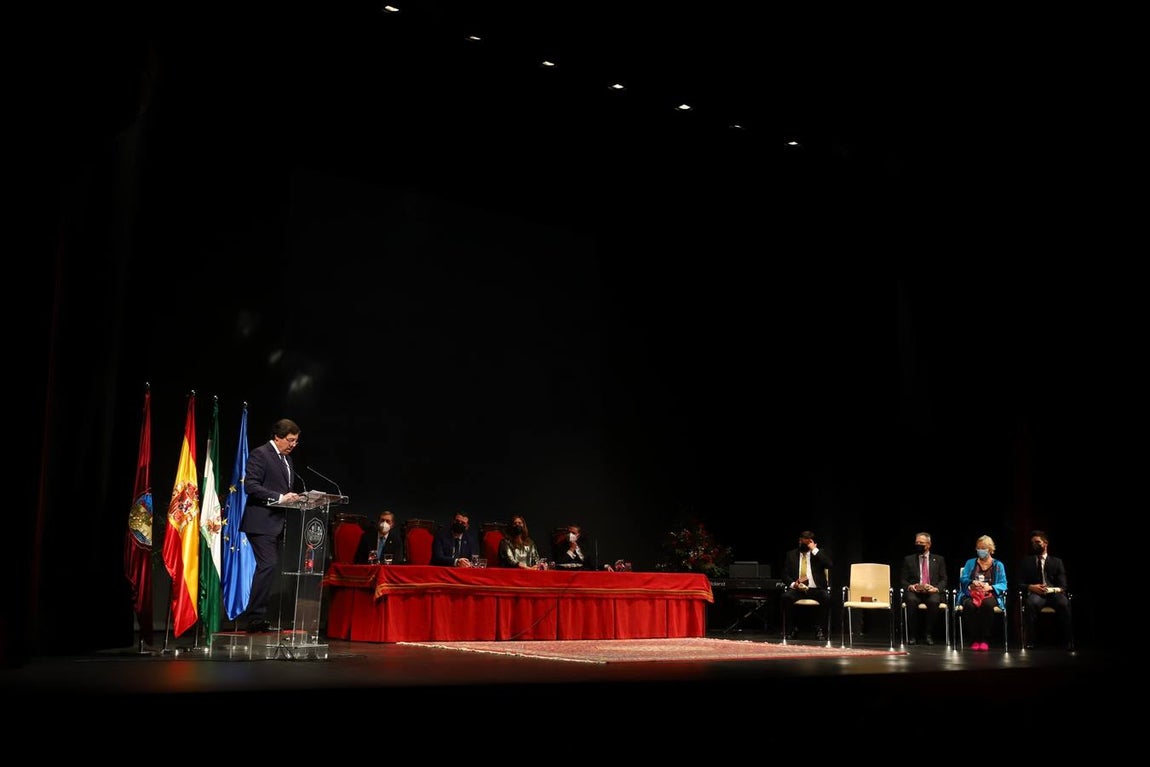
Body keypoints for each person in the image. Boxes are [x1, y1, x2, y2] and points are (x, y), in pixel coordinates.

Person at [238, 418, 303, 633]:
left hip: (277, 524)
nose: (294, 444)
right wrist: (280, 497)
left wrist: (296, 499)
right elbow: (251, 486)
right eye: (290, 440)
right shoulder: (261, 454)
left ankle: (258, 617)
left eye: (296, 441)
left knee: (268, 567)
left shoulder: (287, 460)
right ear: (278, 437)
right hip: (260, 522)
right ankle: (255, 617)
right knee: (267, 565)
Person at [1016, 530, 1073, 651]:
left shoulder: (1057, 562)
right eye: (1032, 543)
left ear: (1045, 543)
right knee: (1030, 604)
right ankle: (1030, 641)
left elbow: (1063, 585)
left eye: (1038, 542)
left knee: (1064, 604)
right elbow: (1019, 583)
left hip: (1053, 593)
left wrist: (1050, 589)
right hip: (1036, 593)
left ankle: (1068, 641)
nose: (1034, 545)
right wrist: (1031, 587)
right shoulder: (1026, 561)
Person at [957, 534, 1007, 651]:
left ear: (990, 549)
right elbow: (963, 578)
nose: (980, 550)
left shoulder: (998, 565)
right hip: (972, 593)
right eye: (978, 548)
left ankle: (984, 638)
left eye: (983, 548)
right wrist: (971, 582)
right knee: (969, 605)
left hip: (990, 594)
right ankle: (974, 638)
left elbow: (1003, 584)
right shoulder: (970, 563)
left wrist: (990, 587)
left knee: (987, 605)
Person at [780, 530, 833, 640]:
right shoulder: (791, 555)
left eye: (804, 543)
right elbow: (784, 574)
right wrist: (793, 584)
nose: (801, 544)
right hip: (798, 589)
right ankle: (792, 629)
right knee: (786, 597)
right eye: (800, 542)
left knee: (826, 598)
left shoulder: (818, 554)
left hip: (815, 589)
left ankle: (820, 629)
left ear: (810, 542)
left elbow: (829, 564)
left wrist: (814, 550)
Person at [899, 531, 948, 645]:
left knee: (934, 601)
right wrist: (911, 586)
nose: (918, 545)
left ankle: (928, 634)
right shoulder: (909, 559)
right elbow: (903, 580)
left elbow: (944, 579)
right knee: (911, 600)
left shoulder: (939, 559)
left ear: (928, 544)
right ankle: (913, 635)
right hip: (915, 592)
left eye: (921, 542)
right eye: (917, 542)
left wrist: (936, 589)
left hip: (932, 591)